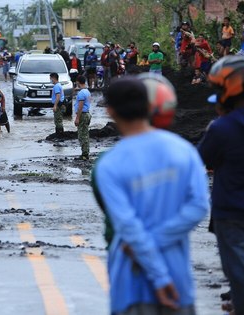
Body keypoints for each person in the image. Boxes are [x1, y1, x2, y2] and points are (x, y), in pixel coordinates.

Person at [95, 76, 209, 315]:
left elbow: (128, 227)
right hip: (178, 281)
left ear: (110, 111)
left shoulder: (109, 164)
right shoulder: (183, 150)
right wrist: (159, 244)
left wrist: (158, 277)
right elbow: (198, 206)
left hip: (130, 284)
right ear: (150, 107)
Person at [198, 56, 244, 315]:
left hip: (232, 216)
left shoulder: (221, 129)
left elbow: (199, 162)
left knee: (240, 278)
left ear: (229, 91)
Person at [74, 75, 91, 160]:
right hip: (87, 114)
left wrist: (77, 118)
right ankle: (86, 152)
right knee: (85, 134)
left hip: (83, 115)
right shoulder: (87, 91)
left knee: (82, 135)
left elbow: (80, 107)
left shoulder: (81, 93)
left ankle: (84, 154)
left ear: (78, 82)